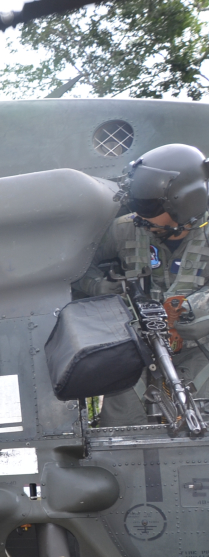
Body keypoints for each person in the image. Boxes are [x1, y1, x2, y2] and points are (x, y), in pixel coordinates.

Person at [75, 143, 209, 426]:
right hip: (137, 350)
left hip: (200, 350)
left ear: (186, 202)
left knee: (196, 416)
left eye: (152, 216)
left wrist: (190, 309)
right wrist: (99, 286)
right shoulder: (126, 228)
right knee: (122, 423)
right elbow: (74, 266)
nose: (143, 221)